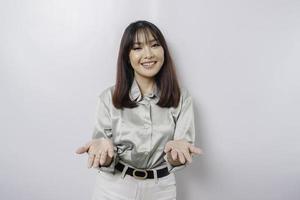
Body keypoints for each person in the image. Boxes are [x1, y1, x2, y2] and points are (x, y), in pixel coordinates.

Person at [76, 20, 203, 200]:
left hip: (162, 189)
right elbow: (104, 157)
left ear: (163, 50)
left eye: (154, 45)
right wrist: (104, 155)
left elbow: (178, 157)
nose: (148, 54)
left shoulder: (181, 98)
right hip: (114, 188)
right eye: (137, 48)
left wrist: (176, 154)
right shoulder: (108, 97)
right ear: (127, 56)